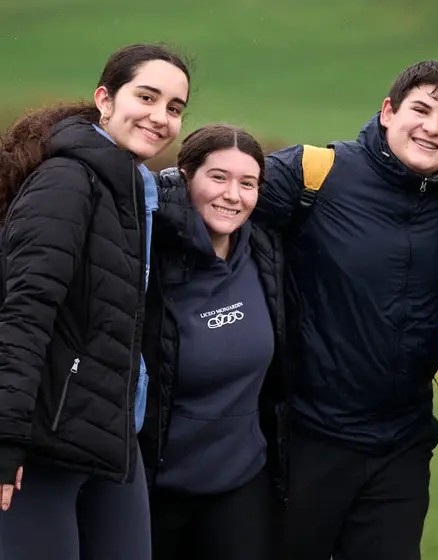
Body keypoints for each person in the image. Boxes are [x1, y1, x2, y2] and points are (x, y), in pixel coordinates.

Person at [0, 44, 190, 560]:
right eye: (147, 97)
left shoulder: (131, 189)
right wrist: (4, 439)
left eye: (174, 107)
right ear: (104, 100)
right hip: (36, 440)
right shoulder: (66, 182)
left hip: (106, 435)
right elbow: (24, 313)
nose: (161, 117)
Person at [253, 60, 438, 560]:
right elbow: (213, 193)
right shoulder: (315, 172)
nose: (431, 127)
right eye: (420, 110)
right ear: (388, 112)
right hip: (307, 438)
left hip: (403, 445)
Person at [140, 124, 290, 560]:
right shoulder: (147, 254)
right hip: (154, 488)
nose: (232, 195)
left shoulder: (265, 251)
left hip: (241, 484)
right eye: (218, 177)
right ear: (185, 176)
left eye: (248, 183)